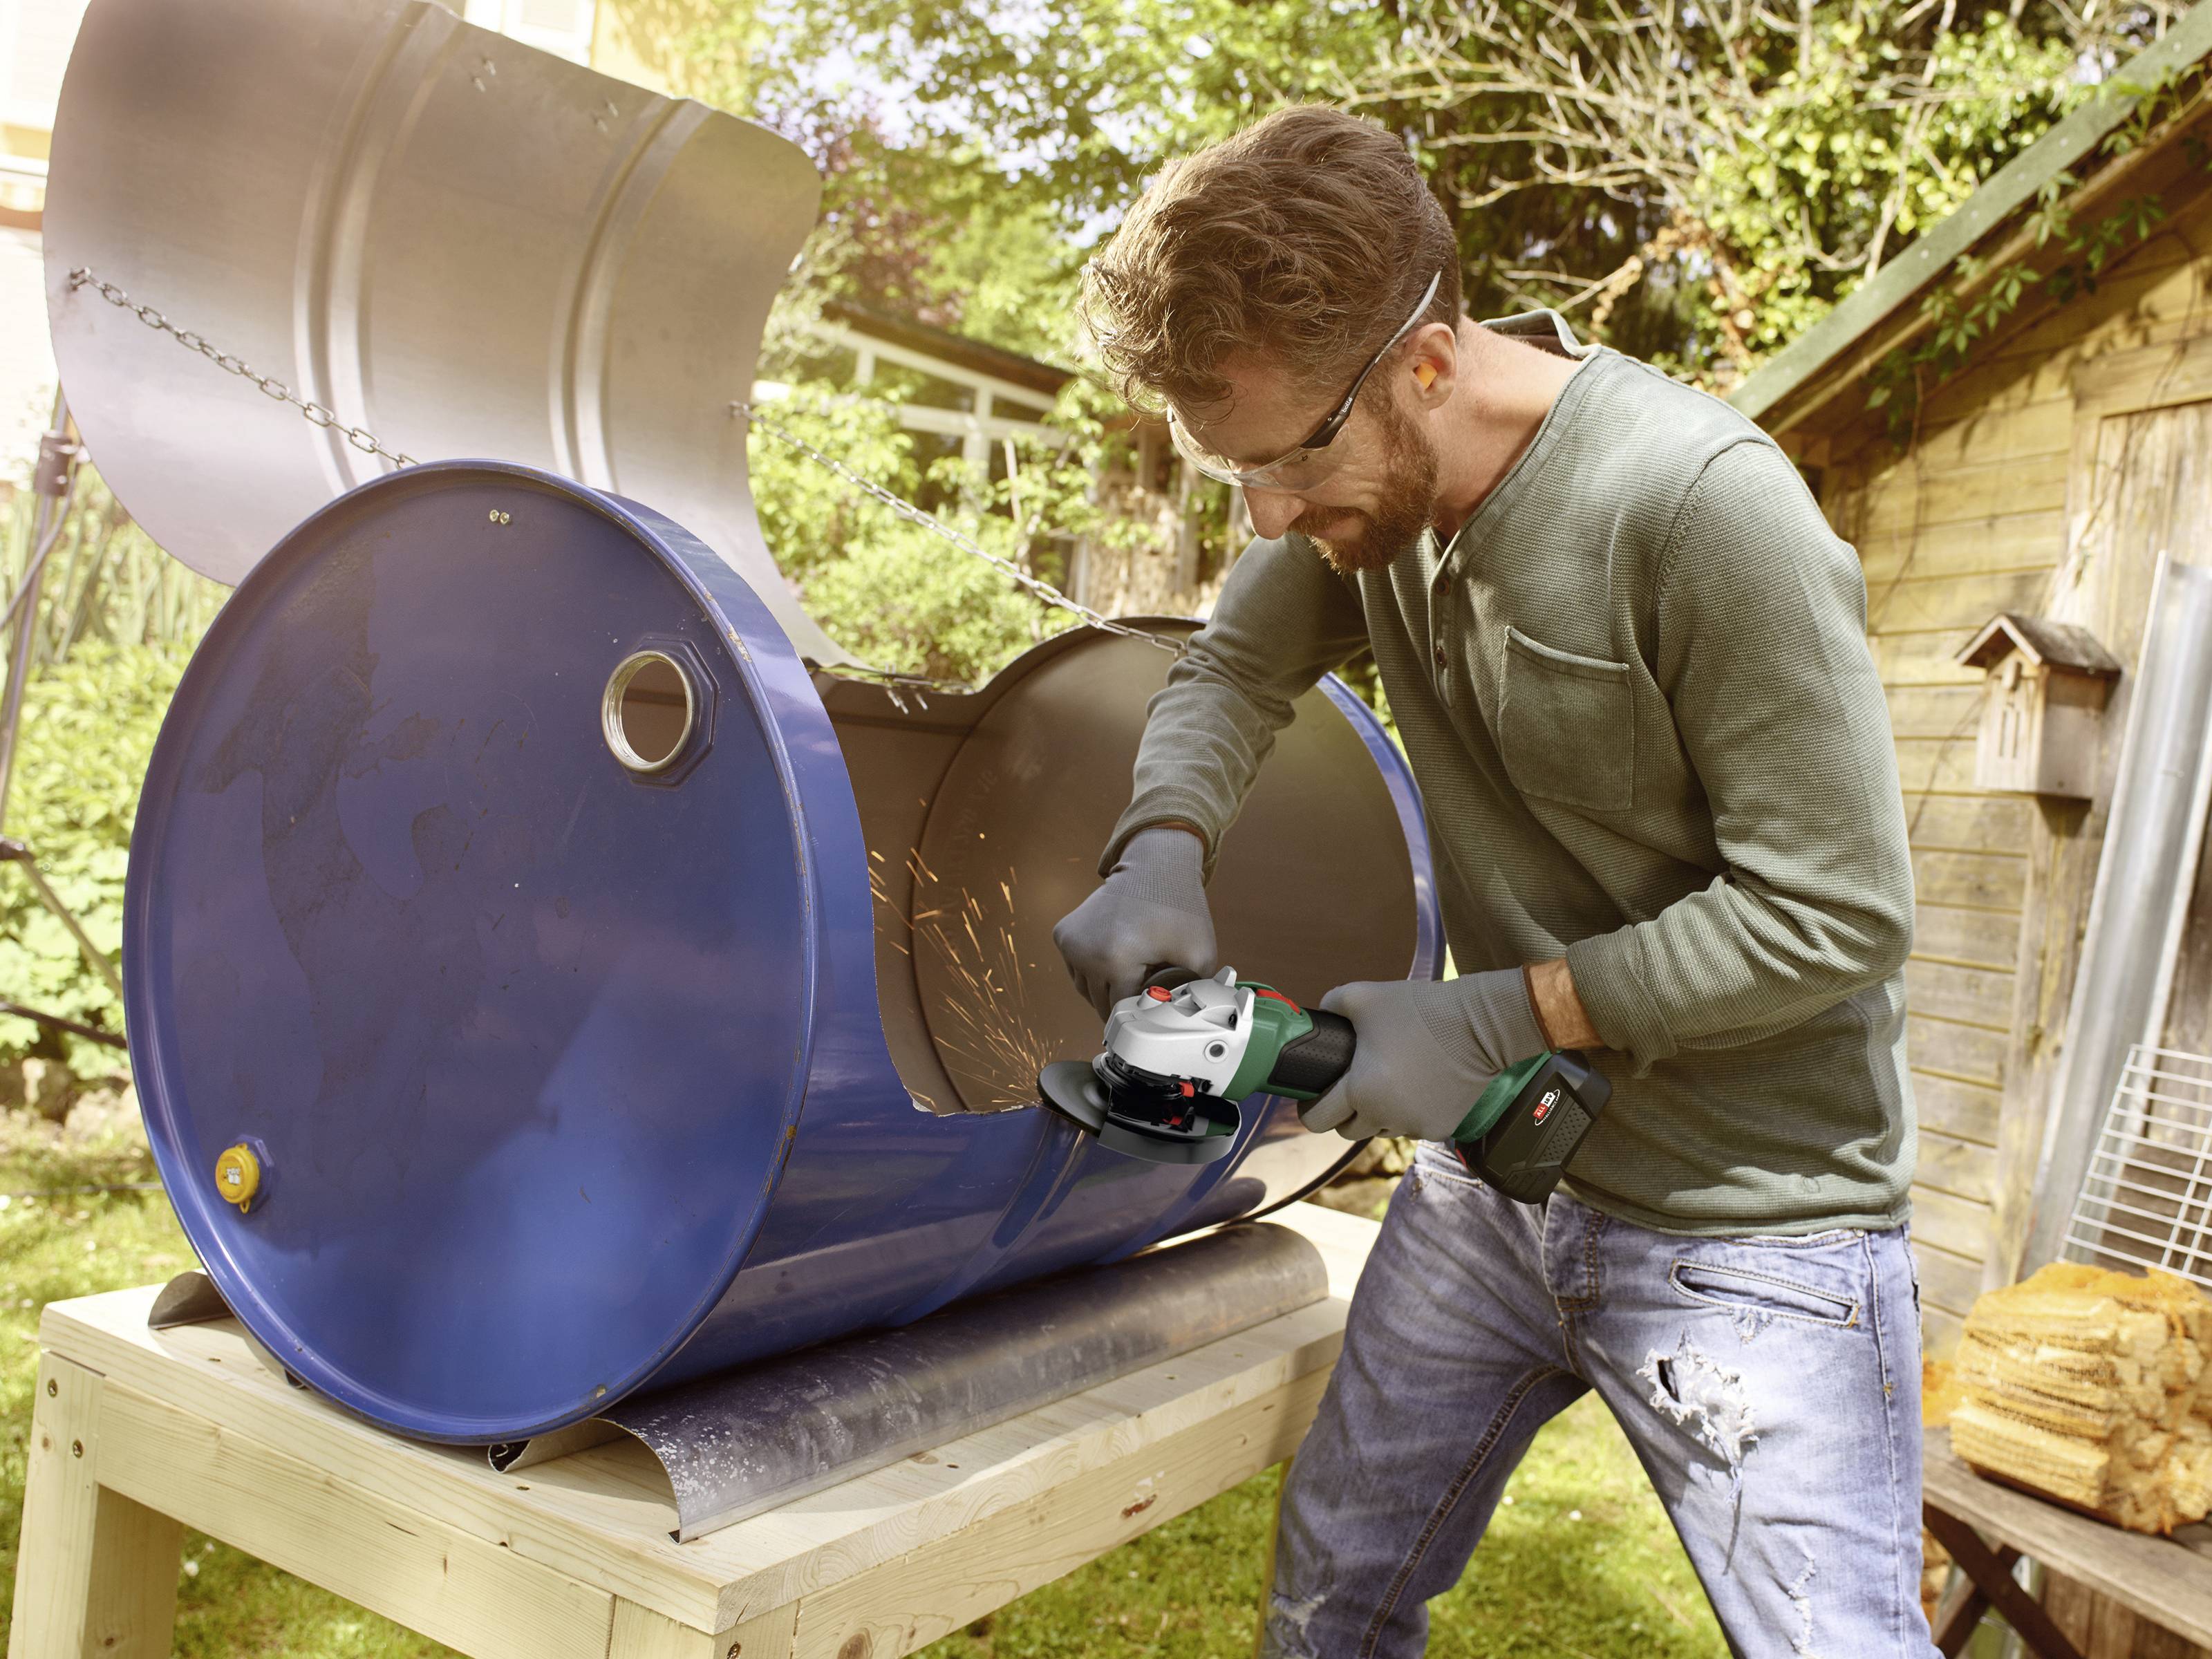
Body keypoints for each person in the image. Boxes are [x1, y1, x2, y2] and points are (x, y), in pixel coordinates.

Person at [1053, 104, 1933, 1657]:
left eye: (1288, 459)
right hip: (1501, 1177)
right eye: (1229, 471)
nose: (1267, 518)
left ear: (1427, 362)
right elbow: (1231, 670)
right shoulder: (1364, 501)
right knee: (1331, 1604)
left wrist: (1498, 1016)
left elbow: (1836, 913)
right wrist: (1163, 842)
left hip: (1753, 1229)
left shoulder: (1698, 508)